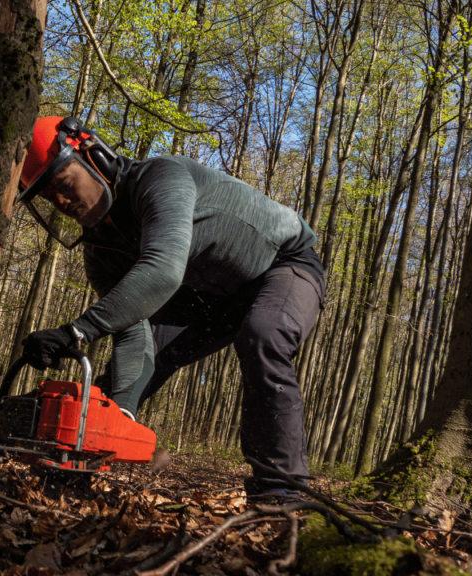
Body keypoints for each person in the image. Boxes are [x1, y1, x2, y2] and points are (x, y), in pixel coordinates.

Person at [17, 116, 325, 498]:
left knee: (264, 335)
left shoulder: (161, 177)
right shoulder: (101, 252)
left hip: (284, 264)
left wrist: (76, 331)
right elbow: (133, 327)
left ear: (95, 156)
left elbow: (163, 270)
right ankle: (75, 468)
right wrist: (123, 409)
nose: (62, 203)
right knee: (132, 367)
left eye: (63, 184)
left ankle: (281, 491)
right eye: (49, 198)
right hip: (209, 297)